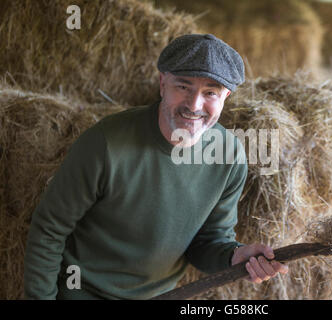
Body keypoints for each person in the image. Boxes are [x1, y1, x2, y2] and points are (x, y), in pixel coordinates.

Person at [24, 34, 288, 300]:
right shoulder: (105, 144)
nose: (194, 105)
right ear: (163, 84)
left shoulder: (228, 156)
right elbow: (50, 228)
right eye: (183, 87)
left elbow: (208, 242)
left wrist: (234, 255)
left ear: (226, 97)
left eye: (210, 93)